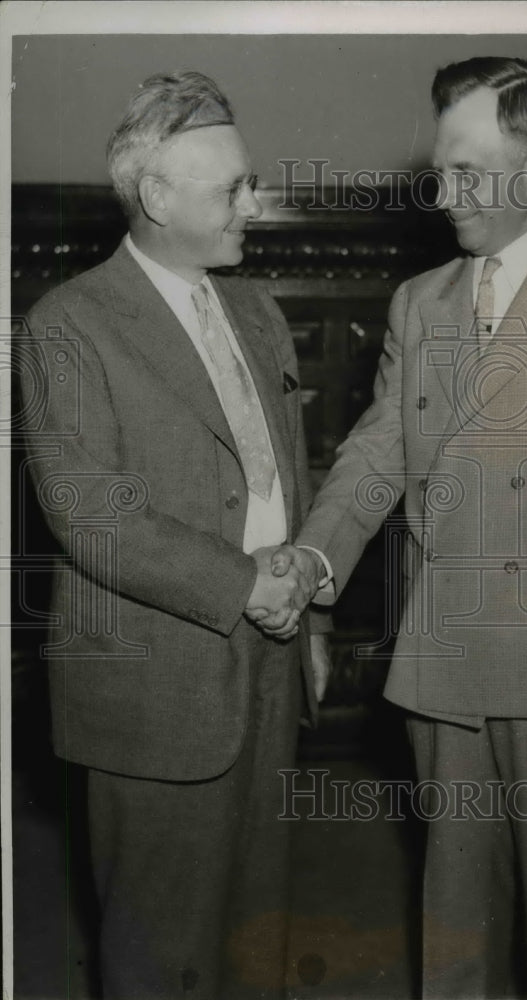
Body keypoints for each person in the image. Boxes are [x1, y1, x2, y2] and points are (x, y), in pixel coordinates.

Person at [264, 57, 527, 997]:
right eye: (439, 168)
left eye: (467, 170)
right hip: (442, 665)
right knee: (452, 930)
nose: (442, 192)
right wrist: (311, 556)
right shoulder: (420, 303)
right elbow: (378, 455)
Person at [19, 71, 331, 999]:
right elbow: (87, 508)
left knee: (256, 935)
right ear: (155, 196)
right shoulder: (67, 324)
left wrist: (306, 621)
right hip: (155, 683)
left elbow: (289, 479)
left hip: (270, 662)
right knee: (161, 950)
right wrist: (243, 586)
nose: (254, 202)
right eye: (231, 187)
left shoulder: (257, 312)